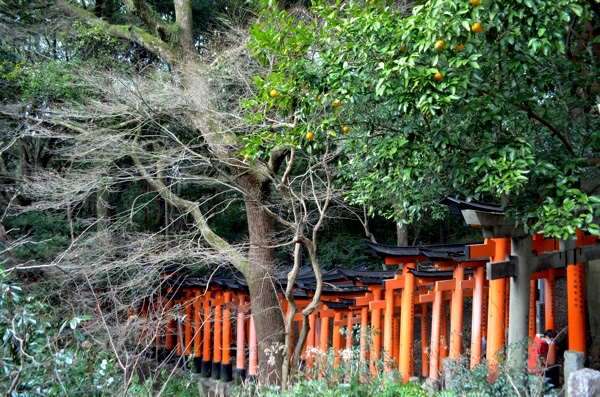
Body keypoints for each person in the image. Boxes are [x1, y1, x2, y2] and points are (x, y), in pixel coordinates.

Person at [528, 329, 558, 396]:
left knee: (541, 390)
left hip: (541, 369)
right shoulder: (538, 344)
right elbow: (534, 359)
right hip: (535, 371)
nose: (553, 342)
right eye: (552, 339)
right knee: (536, 392)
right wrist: (539, 372)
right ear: (547, 337)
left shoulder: (545, 343)